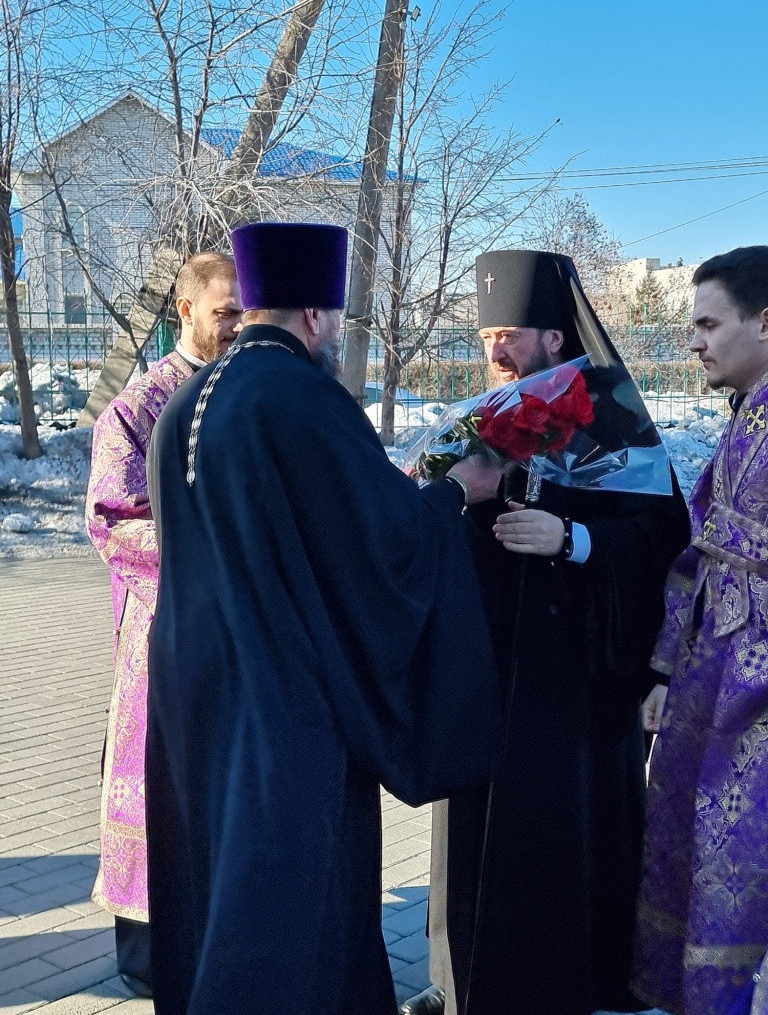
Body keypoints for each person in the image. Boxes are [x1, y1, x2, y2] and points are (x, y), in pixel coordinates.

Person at [143, 222, 504, 1015]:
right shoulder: (302, 396)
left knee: (211, 876)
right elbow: (379, 546)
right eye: (337, 319)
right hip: (279, 701)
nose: (337, 334)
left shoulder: (185, 401)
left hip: (192, 698)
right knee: (292, 899)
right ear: (316, 314)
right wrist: (455, 494)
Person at [415, 250, 690, 1015]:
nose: (496, 351)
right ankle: (463, 982)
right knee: (473, 819)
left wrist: (575, 539)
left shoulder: (615, 419)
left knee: (557, 829)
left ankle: (564, 986)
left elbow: (663, 537)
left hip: (573, 677)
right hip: (487, 659)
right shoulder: (478, 421)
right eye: (486, 338)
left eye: (509, 334)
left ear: (556, 339)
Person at [85, 251, 242, 997]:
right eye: (224, 312)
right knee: (155, 783)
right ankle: (148, 955)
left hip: (242, 633)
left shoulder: (247, 391)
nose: (237, 325)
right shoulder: (137, 408)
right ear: (185, 310)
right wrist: (216, 537)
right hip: (162, 635)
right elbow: (111, 520)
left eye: (245, 312)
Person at [632, 246, 768, 1015]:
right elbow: (701, 552)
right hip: (713, 679)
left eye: (709, 325)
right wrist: (665, 669)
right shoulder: (748, 412)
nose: (693, 343)